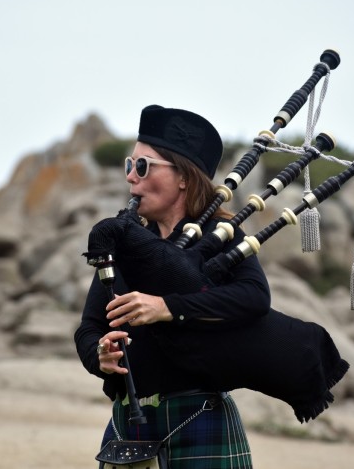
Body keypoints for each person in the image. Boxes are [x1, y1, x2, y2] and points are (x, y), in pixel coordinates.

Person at [74, 104, 271, 469]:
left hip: (198, 416)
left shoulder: (220, 235)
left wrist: (166, 307)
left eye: (143, 166)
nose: (131, 178)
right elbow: (89, 326)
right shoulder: (124, 242)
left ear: (183, 177)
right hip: (128, 424)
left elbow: (255, 299)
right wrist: (99, 355)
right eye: (129, 166)